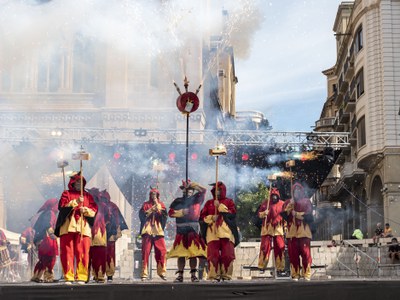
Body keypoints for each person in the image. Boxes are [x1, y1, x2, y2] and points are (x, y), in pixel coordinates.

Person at [54, 172, 98, 285]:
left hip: (83, 227)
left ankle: (81, 277)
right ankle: (69, 276)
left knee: (83, 251)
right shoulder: (66, 193)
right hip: (68, 226)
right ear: (73, 182)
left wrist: (86, 210)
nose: (79, 184)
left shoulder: (88, 196)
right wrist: (76, 202)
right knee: (67, 252)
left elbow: (94, 209)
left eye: (81, 182)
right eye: (78, 181)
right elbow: (62, 206)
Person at [167, 180, 207, 282]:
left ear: (193, 190)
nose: (188, 191)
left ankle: (193, 275)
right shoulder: (178, 201)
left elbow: (203, 191)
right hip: (181, 231)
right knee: (181, 254)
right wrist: (181, 212)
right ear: (183, 190)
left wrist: (195, 185)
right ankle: (180, 275)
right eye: (187, 189)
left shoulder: (197, 199)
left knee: (193, 254)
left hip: (193, 230)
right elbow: (170, 213)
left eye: (190, 189)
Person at [200, 181, 239, 282]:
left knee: (228, 255)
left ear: (223, 190)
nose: (217, 192)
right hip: (212, 233)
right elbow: (202, 218)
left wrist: (219, 206)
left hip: (226, 232)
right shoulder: (208, 203)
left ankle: (226, 276)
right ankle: (213, 276)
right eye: (215, 190)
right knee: (213, 255)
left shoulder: (229, 202)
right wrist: (212, 217)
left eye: (219, 190)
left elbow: (232, 214)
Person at [282, 183, 313, 281]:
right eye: (294, 191)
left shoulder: (307, 201)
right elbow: (284, 215)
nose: (296, 192)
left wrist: (297, 214)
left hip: (304, 232)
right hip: (292, 234)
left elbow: (309, 215)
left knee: (305, 254)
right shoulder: (288, 202)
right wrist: (290, 204)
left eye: (298, 190)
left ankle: (306, 274)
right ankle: (295, 274)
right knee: (293, 255)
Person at [139, 187, 168, 281]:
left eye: (155, 195)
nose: (153, 196)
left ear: (158, 196)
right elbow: (142, 216)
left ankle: (162, 272)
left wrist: (158, 206)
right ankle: (144, 273)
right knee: (145, 252)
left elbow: (164, 216)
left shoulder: (161, 204)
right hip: (147, 230)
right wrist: (151, 210)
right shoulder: (145, 204)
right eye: (152, 194)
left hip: (158, 230)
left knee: (162, 251)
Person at [257, 188, 285, 276]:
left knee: (280, 247)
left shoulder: (282, 204)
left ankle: (280, 268)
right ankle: (262, 266)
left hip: (278, 228)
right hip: (267, 228)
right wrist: (263, 213)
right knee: (265, 247)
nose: (274, 198)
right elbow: (259, 214)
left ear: (278, 196)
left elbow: (285, 216)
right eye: (272, 196)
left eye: (275, 196)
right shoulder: (265, 203)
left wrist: (286, 227)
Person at [101, 189, 128, 282]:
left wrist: (117, 231)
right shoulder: (98, 206)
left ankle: (109, 274)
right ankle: (99, 274)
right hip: (100, 233)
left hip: (111, 233)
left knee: (110, 254)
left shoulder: (113, 206)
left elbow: (117, 220)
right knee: (100, 254)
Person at [30, 198, 59, 283]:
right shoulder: (50, 213)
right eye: (56, 204)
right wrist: (52, 234)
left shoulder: (45, 213)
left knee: (45, 259)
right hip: (46, 239)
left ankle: (39, 276)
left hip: (43, 239)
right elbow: (48, 225)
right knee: (49, 258)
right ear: (53, 205)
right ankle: (46, 277)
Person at [88, 188, 110, 283]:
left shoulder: (102, 206)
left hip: (99, 233)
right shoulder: (88, 205)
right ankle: (94, 275)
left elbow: (108, 217)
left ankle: (99, 275)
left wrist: (102, 224)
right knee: (93, 256)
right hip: (89, 233)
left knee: (99, 255)